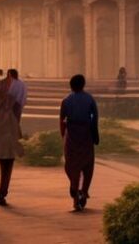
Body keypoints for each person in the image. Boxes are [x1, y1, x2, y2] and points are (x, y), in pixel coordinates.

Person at [59, 74, 99, 211]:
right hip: (86, 134)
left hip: (72, 135)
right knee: (87, 165)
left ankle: (75, 193)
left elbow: (62, 120)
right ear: (83, 85)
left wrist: (63, 135)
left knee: (72, 165)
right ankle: (84, 190)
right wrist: (95, 134)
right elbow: (94, 118)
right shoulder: (89, 99)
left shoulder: (66, 100)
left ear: (71, 86)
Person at [0, 69, 23, 206]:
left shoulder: (1, 84)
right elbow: (19, 108)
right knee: (8, 161)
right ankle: (2, 192)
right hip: (11, 126)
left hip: (1, 126)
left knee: (2, 159)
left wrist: (1, 105)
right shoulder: (20, 87)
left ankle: (1, 192)